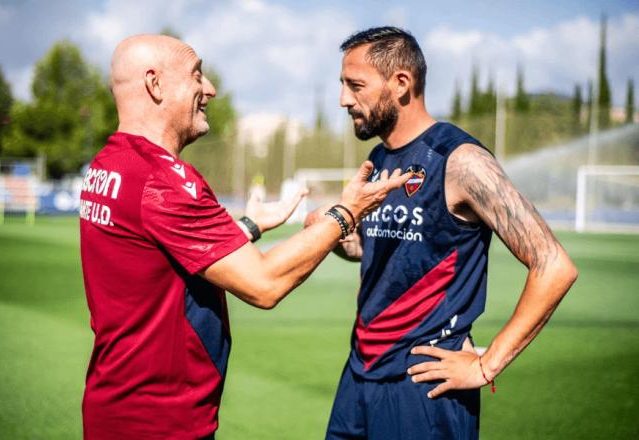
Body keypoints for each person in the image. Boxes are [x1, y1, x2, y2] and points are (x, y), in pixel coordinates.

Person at [79, 34, 411, 440]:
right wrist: (347, 213)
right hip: (159, 422)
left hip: (116, 409)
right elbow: (264, 284)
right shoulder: (161, 180)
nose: (210, 89)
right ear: (155, 84)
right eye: (197, 74)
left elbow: (166, 258)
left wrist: (251, 226)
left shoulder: (111, 163)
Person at [304, 27, 578, 439]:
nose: (344, 99)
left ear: (401, 83)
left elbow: (554, 265)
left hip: (421, 385)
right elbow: (385, 248)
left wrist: (487, 365)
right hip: (360, 373)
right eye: (342, 85)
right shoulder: (379, 158)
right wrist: (336, 232)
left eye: (355, 85)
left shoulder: (461, 161)